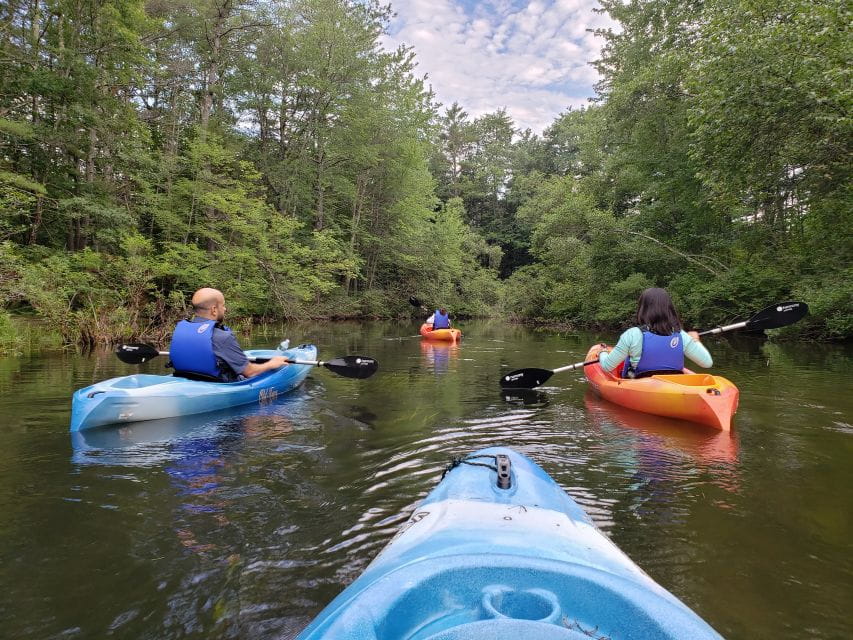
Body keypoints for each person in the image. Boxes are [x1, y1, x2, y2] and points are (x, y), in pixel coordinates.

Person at [169, 288, 289, 381]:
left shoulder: (181, 329)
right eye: (223, 305)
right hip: (217, 384)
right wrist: (272, 364)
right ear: (214, 310)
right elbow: (250, 372)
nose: (225, 309)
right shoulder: (222, 336)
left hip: (186, 378)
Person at [597, 288, 712, 378]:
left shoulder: (632, 335)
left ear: (643, 308)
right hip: (673, 384)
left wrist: (602, 353)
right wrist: (695, 340)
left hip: (640, 385)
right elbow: (707, 363)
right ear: (669, 309)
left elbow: (607, 366)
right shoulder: (681, 335)